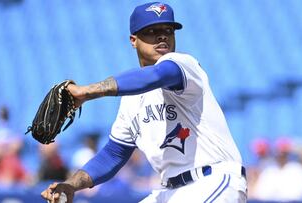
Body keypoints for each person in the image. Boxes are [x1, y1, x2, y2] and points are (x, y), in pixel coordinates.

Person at [41, 2, 247, 203]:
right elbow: (113, 154)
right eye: (151, 30)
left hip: (213, 180)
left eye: (168, 30)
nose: (162, 36)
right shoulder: (131, 100)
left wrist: (86, 91)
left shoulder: (183, 65)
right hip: (170, 191)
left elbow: (157, 75)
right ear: (133, 40)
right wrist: (71, 185)